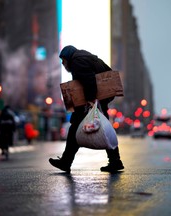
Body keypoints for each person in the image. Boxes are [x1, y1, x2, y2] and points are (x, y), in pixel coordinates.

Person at [49, 45, 124, 173]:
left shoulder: (77, 62)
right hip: (98, 100)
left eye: (63, 60)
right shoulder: (84, 57)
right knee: (104, 129)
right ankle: (115, 161)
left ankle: (66, 162)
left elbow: (89, 81)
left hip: (90, 102)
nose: (63, 63)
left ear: (68, 56)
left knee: (74, 129)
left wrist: (91, 100)